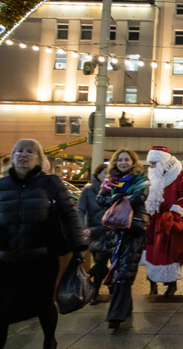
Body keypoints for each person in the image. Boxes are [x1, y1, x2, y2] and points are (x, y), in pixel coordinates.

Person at [0, 139, 87, 349]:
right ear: (12, 157)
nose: (23, 155)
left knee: (43, 304)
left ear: (39, 159)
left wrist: (79, 247)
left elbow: (69, 215)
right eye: (19, 151)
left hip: (41, 258)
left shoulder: (50, 183)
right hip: (6, 259)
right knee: (2, 308)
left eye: (30, 152)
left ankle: (49, 341)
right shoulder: (1, 185)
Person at [97, 149, 150, 330]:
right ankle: (125, 308)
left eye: (126, 159)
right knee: (119, 270)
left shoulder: (141, 180)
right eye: (120, 160)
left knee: (124, 273)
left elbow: (139, 198)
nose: (123, 162)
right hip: (114, 229)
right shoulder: (110, 181)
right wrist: (116, 197)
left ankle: (115, 316)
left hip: (133, 229)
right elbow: (100, 199)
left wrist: (115, 198)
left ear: (133, 162)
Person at [143, 146, 183, 297]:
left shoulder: (179, 176)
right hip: (153, 221)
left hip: (169, 222)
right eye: (150, 163)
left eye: (154, 163)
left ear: (162, 161)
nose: (151, 166)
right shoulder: (152, 175)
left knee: (170, 254)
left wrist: (175, 211)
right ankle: (152, 285)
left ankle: (172, 285)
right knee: (151, 254)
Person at [78, 163, 117, 305]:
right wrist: (83, 228)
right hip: (95, 231)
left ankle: (95, 291)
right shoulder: (88, 191)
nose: (107, 175)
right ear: (98, 174)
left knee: (103, 261)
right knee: (101, 261)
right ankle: (107, 289)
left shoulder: (115, 188)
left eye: (109, 173)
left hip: (112, 231)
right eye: (105, 172)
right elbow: (80, 210)